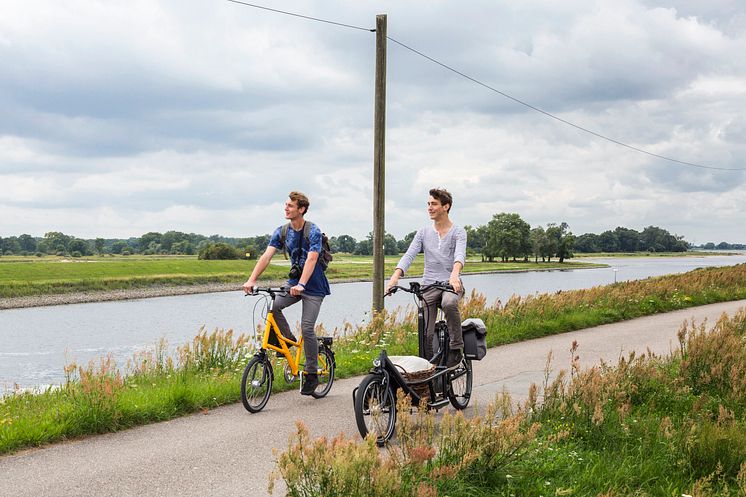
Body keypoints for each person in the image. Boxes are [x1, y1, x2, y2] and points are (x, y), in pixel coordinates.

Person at [243, 191, 331, 395]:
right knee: (273, 306)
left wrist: (302, 284)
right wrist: (252, 279)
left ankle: (311, 373)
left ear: (301, 209)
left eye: (290, 206)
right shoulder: (282, 231)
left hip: (314, 287)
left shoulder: (313, 231)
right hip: (293, 284)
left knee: (307, 328)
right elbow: (266, 256)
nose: (286, 208)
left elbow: (311, 259)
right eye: (286, 205)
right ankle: (287, 340)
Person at [386, 188, 467, 368]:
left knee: (448, 304)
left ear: (446, 207)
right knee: (426, 335)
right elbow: (409, 255)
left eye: (434, 204)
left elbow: (459, 256)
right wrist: (394, 278)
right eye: (428, 204)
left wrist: (454, 276)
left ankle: (456, 346)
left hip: (449, 284)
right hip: (429, 285)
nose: (430, 208)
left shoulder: (458, 232)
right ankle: (429, 370)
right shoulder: (423, 232)